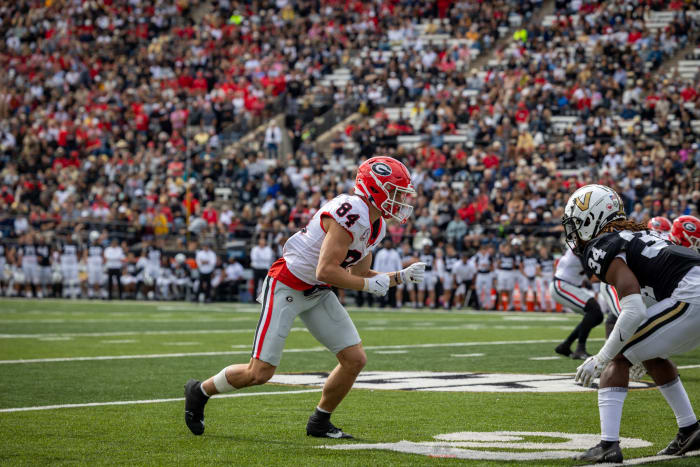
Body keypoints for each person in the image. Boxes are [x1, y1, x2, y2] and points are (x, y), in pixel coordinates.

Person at [183, 156, 425, 439]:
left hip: (318, 290)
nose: (401, 200)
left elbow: (360, 272)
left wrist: (400, 276)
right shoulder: (351, 212)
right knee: (259, 373)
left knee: (354, 359)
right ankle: (199, 391)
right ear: (375, 188)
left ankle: (320, 421)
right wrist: (369, 287)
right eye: (395, 193)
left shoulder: (376, 224)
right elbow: (327, 270)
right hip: (287, 284)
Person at [562, 184, 700, 463]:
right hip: (691, 291)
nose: (574, 232)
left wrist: (602, 357)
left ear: (592, 218)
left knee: (619, 354)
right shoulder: (640, 232)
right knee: (651, 353)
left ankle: (608, 446)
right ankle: (689, 429)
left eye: (577, 224)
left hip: (692, 295)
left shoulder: (601, 245)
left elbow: (634, 308)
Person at [550, 246, 604, 360]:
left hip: (570, 285)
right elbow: (593, 278)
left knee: (597, 316)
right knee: (593, 310)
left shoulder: (589, 247)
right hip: (562, 285)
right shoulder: (580, 247)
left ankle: (566, 345)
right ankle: (580, 349)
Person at [372, 238, 402, 308]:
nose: (387, 244)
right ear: (384, 244)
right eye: (386, 243)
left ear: (391, 244)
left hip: (392, 275)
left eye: (389, 243)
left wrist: (399, 274)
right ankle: (382, 304)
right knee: (382, 290)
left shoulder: (395, 253)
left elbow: (399, 265)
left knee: (392, 291)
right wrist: (375, 275)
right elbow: (377, 265)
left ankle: (392, 304)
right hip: (382, 275)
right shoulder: (380, 253)